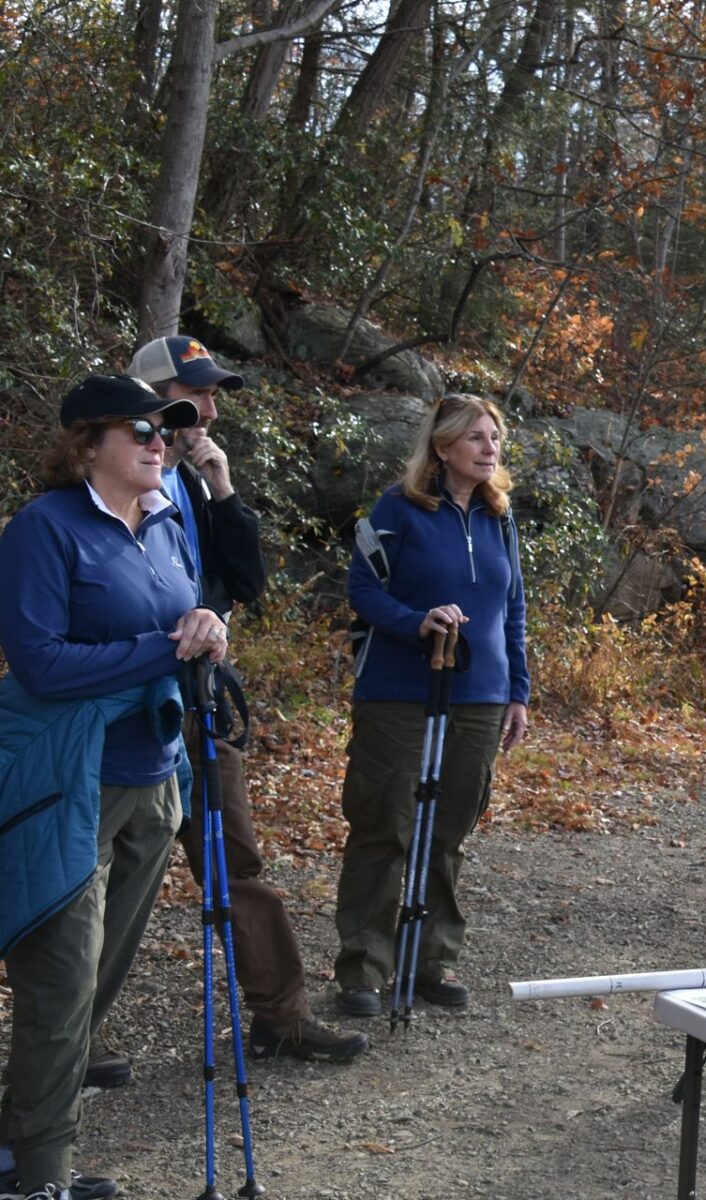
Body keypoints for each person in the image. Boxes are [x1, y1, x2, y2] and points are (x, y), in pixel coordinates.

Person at [0, 374, 228, 1200]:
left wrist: (211, 629)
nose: (159, 439)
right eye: (140, 428)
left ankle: (13, 1147)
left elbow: (187, 622)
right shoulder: (43, 530)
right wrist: (167, 650)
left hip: (154, 779)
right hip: (68, 787)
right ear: (87, 443)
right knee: (61, 984)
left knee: (96, 985)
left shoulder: (169, 522)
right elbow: (41, 663)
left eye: (165, 427)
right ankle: (42, 1178)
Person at [127, 335, 367, 1064]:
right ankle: (76, 1038)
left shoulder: (195, 482)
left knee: (236, 861)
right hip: (126, 708)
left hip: (200, 699)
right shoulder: (111, 484)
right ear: (151, 397)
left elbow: (249, 582)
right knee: (105, 875)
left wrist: (224, 488)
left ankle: (281, 1016)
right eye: (194, 392)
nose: (208, 407)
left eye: (213, 393)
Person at [332, 394, 530, 1016]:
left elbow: (513, 611)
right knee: (385, 824)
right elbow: (361, 589)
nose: (489, 447)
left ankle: (430, 959)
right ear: (442, 447)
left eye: (494, 437)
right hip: (398, 691)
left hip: (480, 692)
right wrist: (415, 622)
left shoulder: (500, 518)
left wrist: (517, 690)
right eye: (475, 437)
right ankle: (363, 968)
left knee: (449, 829)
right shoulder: (398, 509)